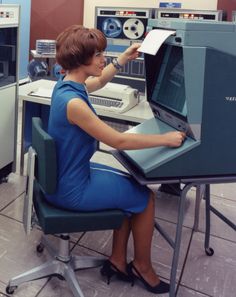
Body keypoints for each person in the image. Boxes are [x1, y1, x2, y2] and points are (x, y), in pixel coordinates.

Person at [46, 24, 185, 294]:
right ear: (80, 58)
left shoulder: (67, 85)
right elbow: (118, 141)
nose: (103, 60)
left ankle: (118, 261)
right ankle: (143, 267)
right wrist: (166, 139)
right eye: (98, 55)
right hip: (71, 188)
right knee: (146, 199)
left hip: (66, 174)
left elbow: (97, 82)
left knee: (129, 185)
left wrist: (122, 60)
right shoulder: (75, 105)